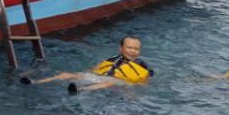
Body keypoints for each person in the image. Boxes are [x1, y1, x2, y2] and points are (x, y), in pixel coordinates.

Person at [22, 36, 153, 93]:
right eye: (129, 47)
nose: (133, 51)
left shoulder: (142, 63)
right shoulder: (113, 58)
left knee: (108, 83)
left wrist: (133, 90)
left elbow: (146, 78)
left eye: (136, 49)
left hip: (120, 82)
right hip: (101, 76)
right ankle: (36, 82)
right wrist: (84, 75)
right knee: (67, 74)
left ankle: (79, 90)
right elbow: (97, 68)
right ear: (121, 48)